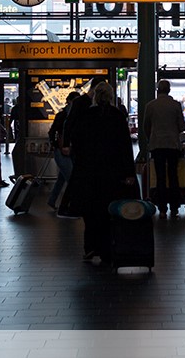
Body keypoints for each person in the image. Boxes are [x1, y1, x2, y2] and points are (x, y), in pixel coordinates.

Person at [62, 82, 136, 266]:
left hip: (89, 172)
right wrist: (128, 172)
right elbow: (125, 147)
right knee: (109, 210)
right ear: (111, 96)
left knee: (91, 211)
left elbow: (76, 142)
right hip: (112, 173)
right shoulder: (117, 117)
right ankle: (107, 248)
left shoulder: (87, 116)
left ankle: (90, 247)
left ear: (95, 96)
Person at [141, 79, 185, 218]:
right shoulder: (175, 105)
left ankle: (161, 208)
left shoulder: (151, 106)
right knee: (173, 175)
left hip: (157, 145)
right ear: (169, 90)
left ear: (157, 89)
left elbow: (145, 126)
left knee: (160, 176)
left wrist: (152, 137)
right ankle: (174, 207)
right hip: (173, 145)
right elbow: (182, 127)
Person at [47, 92, 79, 210]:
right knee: (70, 178)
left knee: (63, 177)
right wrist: (56, 145)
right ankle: (70, 204)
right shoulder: (65, 116)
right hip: (63, 150)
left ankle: (52, 200)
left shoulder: (64, 115)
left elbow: (53, 132)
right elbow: (52, 132)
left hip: (67, 150)